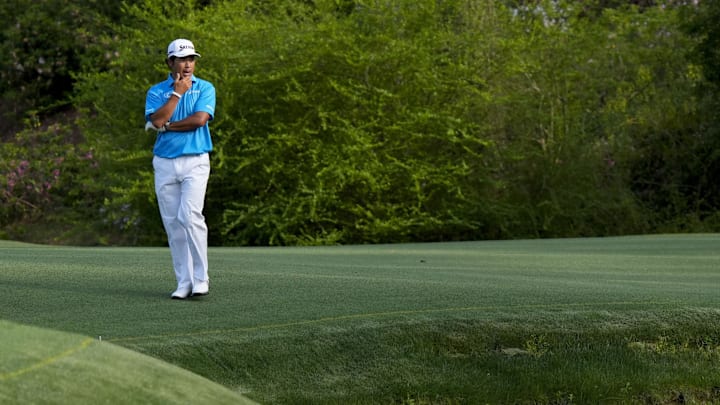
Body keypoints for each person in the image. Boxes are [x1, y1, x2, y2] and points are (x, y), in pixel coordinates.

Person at [144, 39, 216, 299]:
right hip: (164, 162)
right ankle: (184, 282)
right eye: (182, 59)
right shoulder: (156, 91)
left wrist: (166, 127)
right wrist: (177, 94)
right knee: (173, 224)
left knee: (190, 215)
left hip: (195, 160)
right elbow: (157, 119)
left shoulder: (206, 88)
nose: (187, 65)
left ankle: (201, 278)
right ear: (170, 62)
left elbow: (199, 120)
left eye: (191, 59)